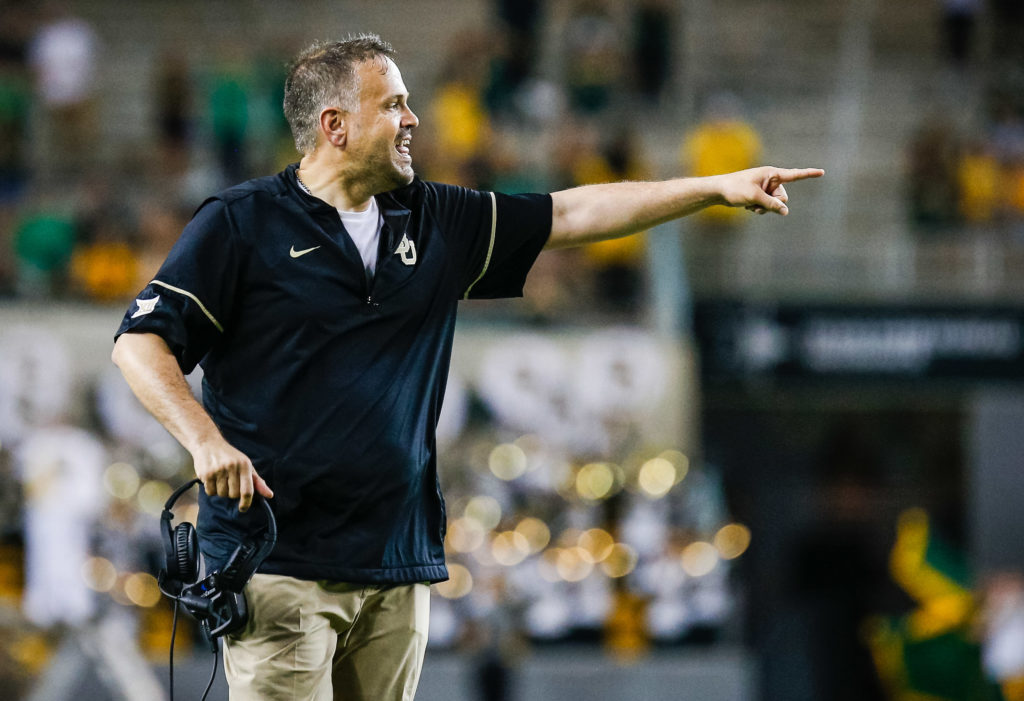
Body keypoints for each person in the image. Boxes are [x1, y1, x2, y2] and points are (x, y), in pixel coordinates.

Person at [111, 33, 822, 701]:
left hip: (396, 564)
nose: (413, 119)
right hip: (277, 563)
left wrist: (713, 187)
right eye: (393, 105)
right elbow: (139, 342)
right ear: (335, 126)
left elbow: (570, 215)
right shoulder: (241, 223)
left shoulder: (435, 220)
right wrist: (204, 440)